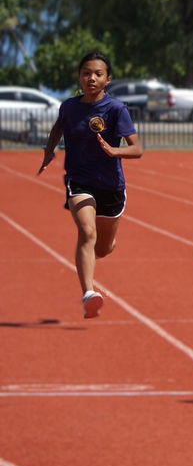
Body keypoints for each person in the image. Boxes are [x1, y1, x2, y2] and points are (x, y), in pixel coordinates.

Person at [37, 52, 144, 320]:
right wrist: (49, 151)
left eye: (98, 73)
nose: (91, 78)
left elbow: (137, 149)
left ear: (108, 79)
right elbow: (58, 128)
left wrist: (114, 152)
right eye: (86, 72)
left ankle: (107, 243)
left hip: (111, 186)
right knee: (86, 231)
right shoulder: (69, 107)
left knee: (102, 248)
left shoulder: (116, 109)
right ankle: (89, 293)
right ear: (79, 76)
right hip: (80, 181)